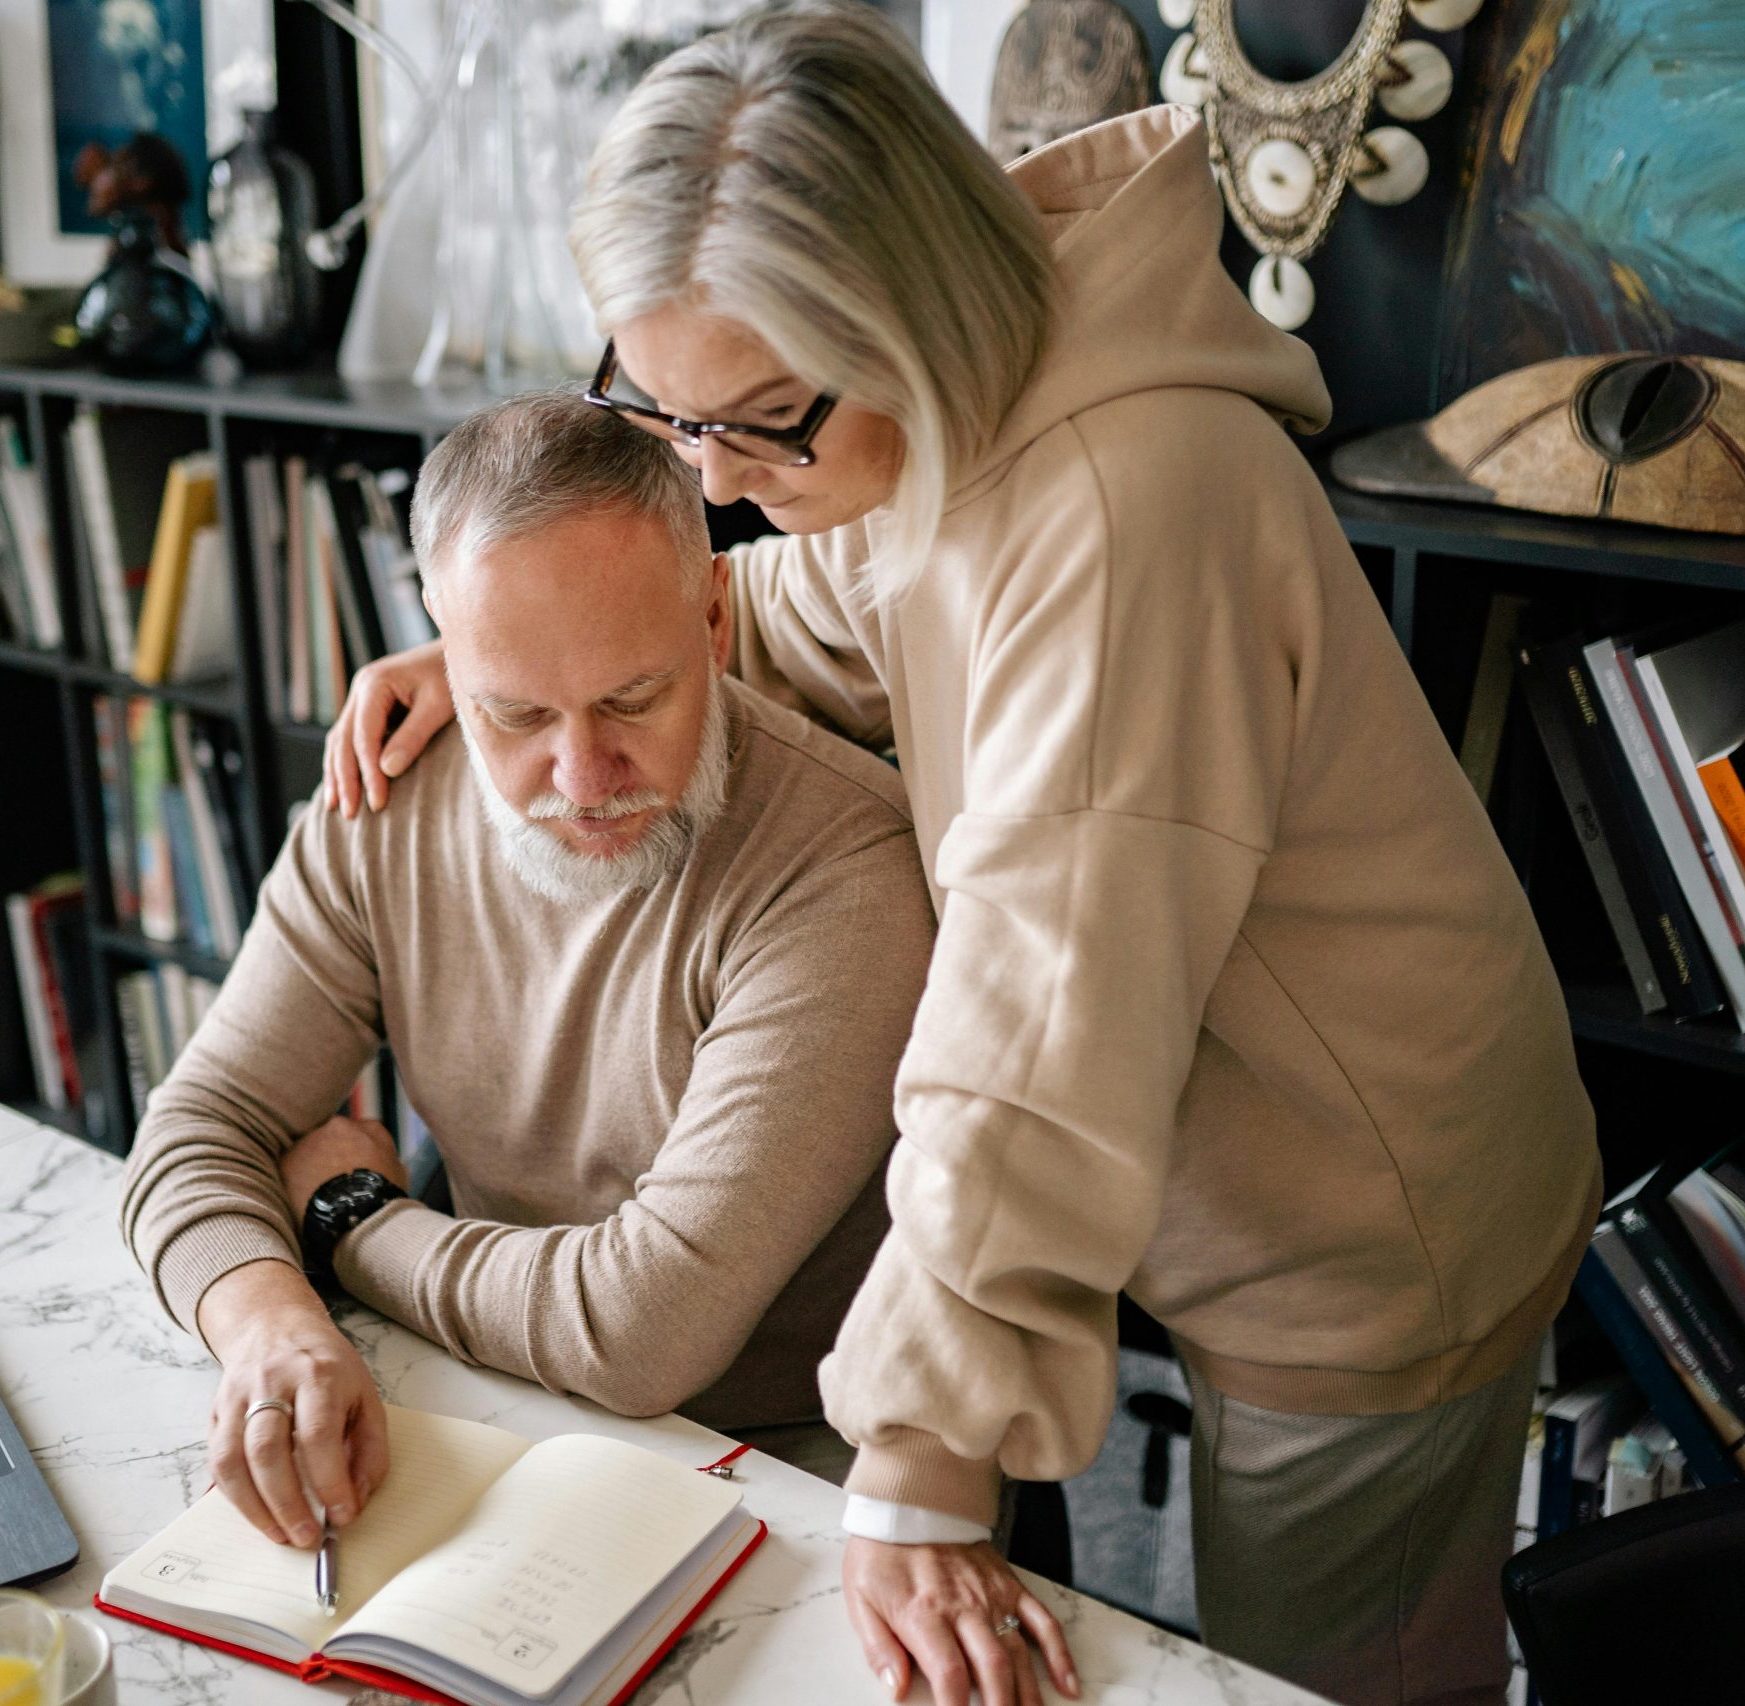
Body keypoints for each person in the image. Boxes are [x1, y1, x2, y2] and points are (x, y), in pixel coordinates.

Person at [321, 8, 1602, 1704]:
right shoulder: (937, 417)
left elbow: (1032, 1035)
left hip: (1370, 1225)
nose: (710, 480)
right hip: (1235, 1161)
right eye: (662, 412)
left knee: (1330, 1678)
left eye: (756, 425)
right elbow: (800, 603)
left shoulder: (1119, 519)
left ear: (901, 320)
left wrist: (920, 1465)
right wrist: (535, 673)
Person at [118, 392, 935, 1556]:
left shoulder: (844, 870)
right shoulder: (385, 791)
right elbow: (197, 1126)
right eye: (514, 712)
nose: (582, 773)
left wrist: (349, 1218)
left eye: (632, 698)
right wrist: (267, 1325)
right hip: (495, 1400)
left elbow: (640, 1329)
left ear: (713, 620)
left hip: (792, 1468)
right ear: (446, 656)